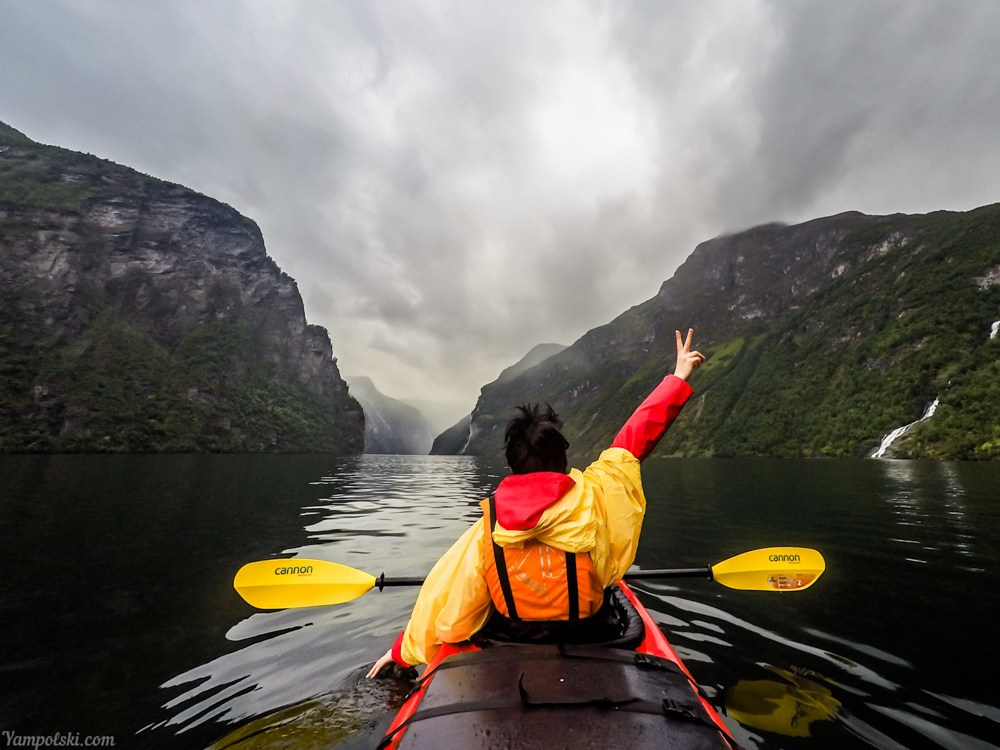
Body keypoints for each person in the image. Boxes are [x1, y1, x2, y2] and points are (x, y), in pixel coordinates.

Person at [367, 329, 705, 677]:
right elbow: (633, 440)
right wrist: (678, 378)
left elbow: (446, 596)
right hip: (592, 634)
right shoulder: (596, 495)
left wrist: (401, 652)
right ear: (563, 460)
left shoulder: (488, 528)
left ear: (512, 465)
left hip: (512, 639)